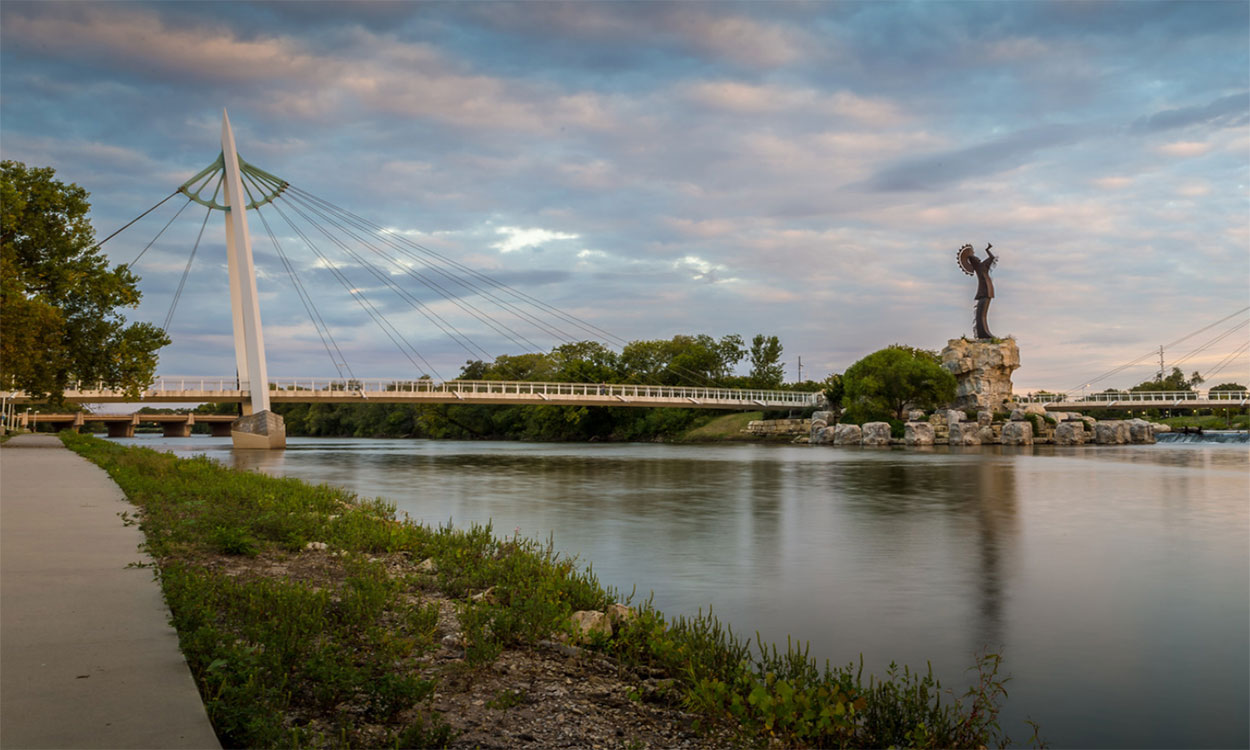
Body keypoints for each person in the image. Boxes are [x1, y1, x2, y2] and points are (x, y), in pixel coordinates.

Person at [957, 243, 997, 339]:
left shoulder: (983, 265)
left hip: (988, 290)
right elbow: (990, 258)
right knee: (981, 314)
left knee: (983, 313)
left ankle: (984, 332)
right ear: (973, 262)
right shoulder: (979, 267)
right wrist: (969, 255)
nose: (977, 258)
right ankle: (983, 332)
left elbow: (992, 258)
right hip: (984, 291)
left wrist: (987, 250)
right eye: (974, 257)